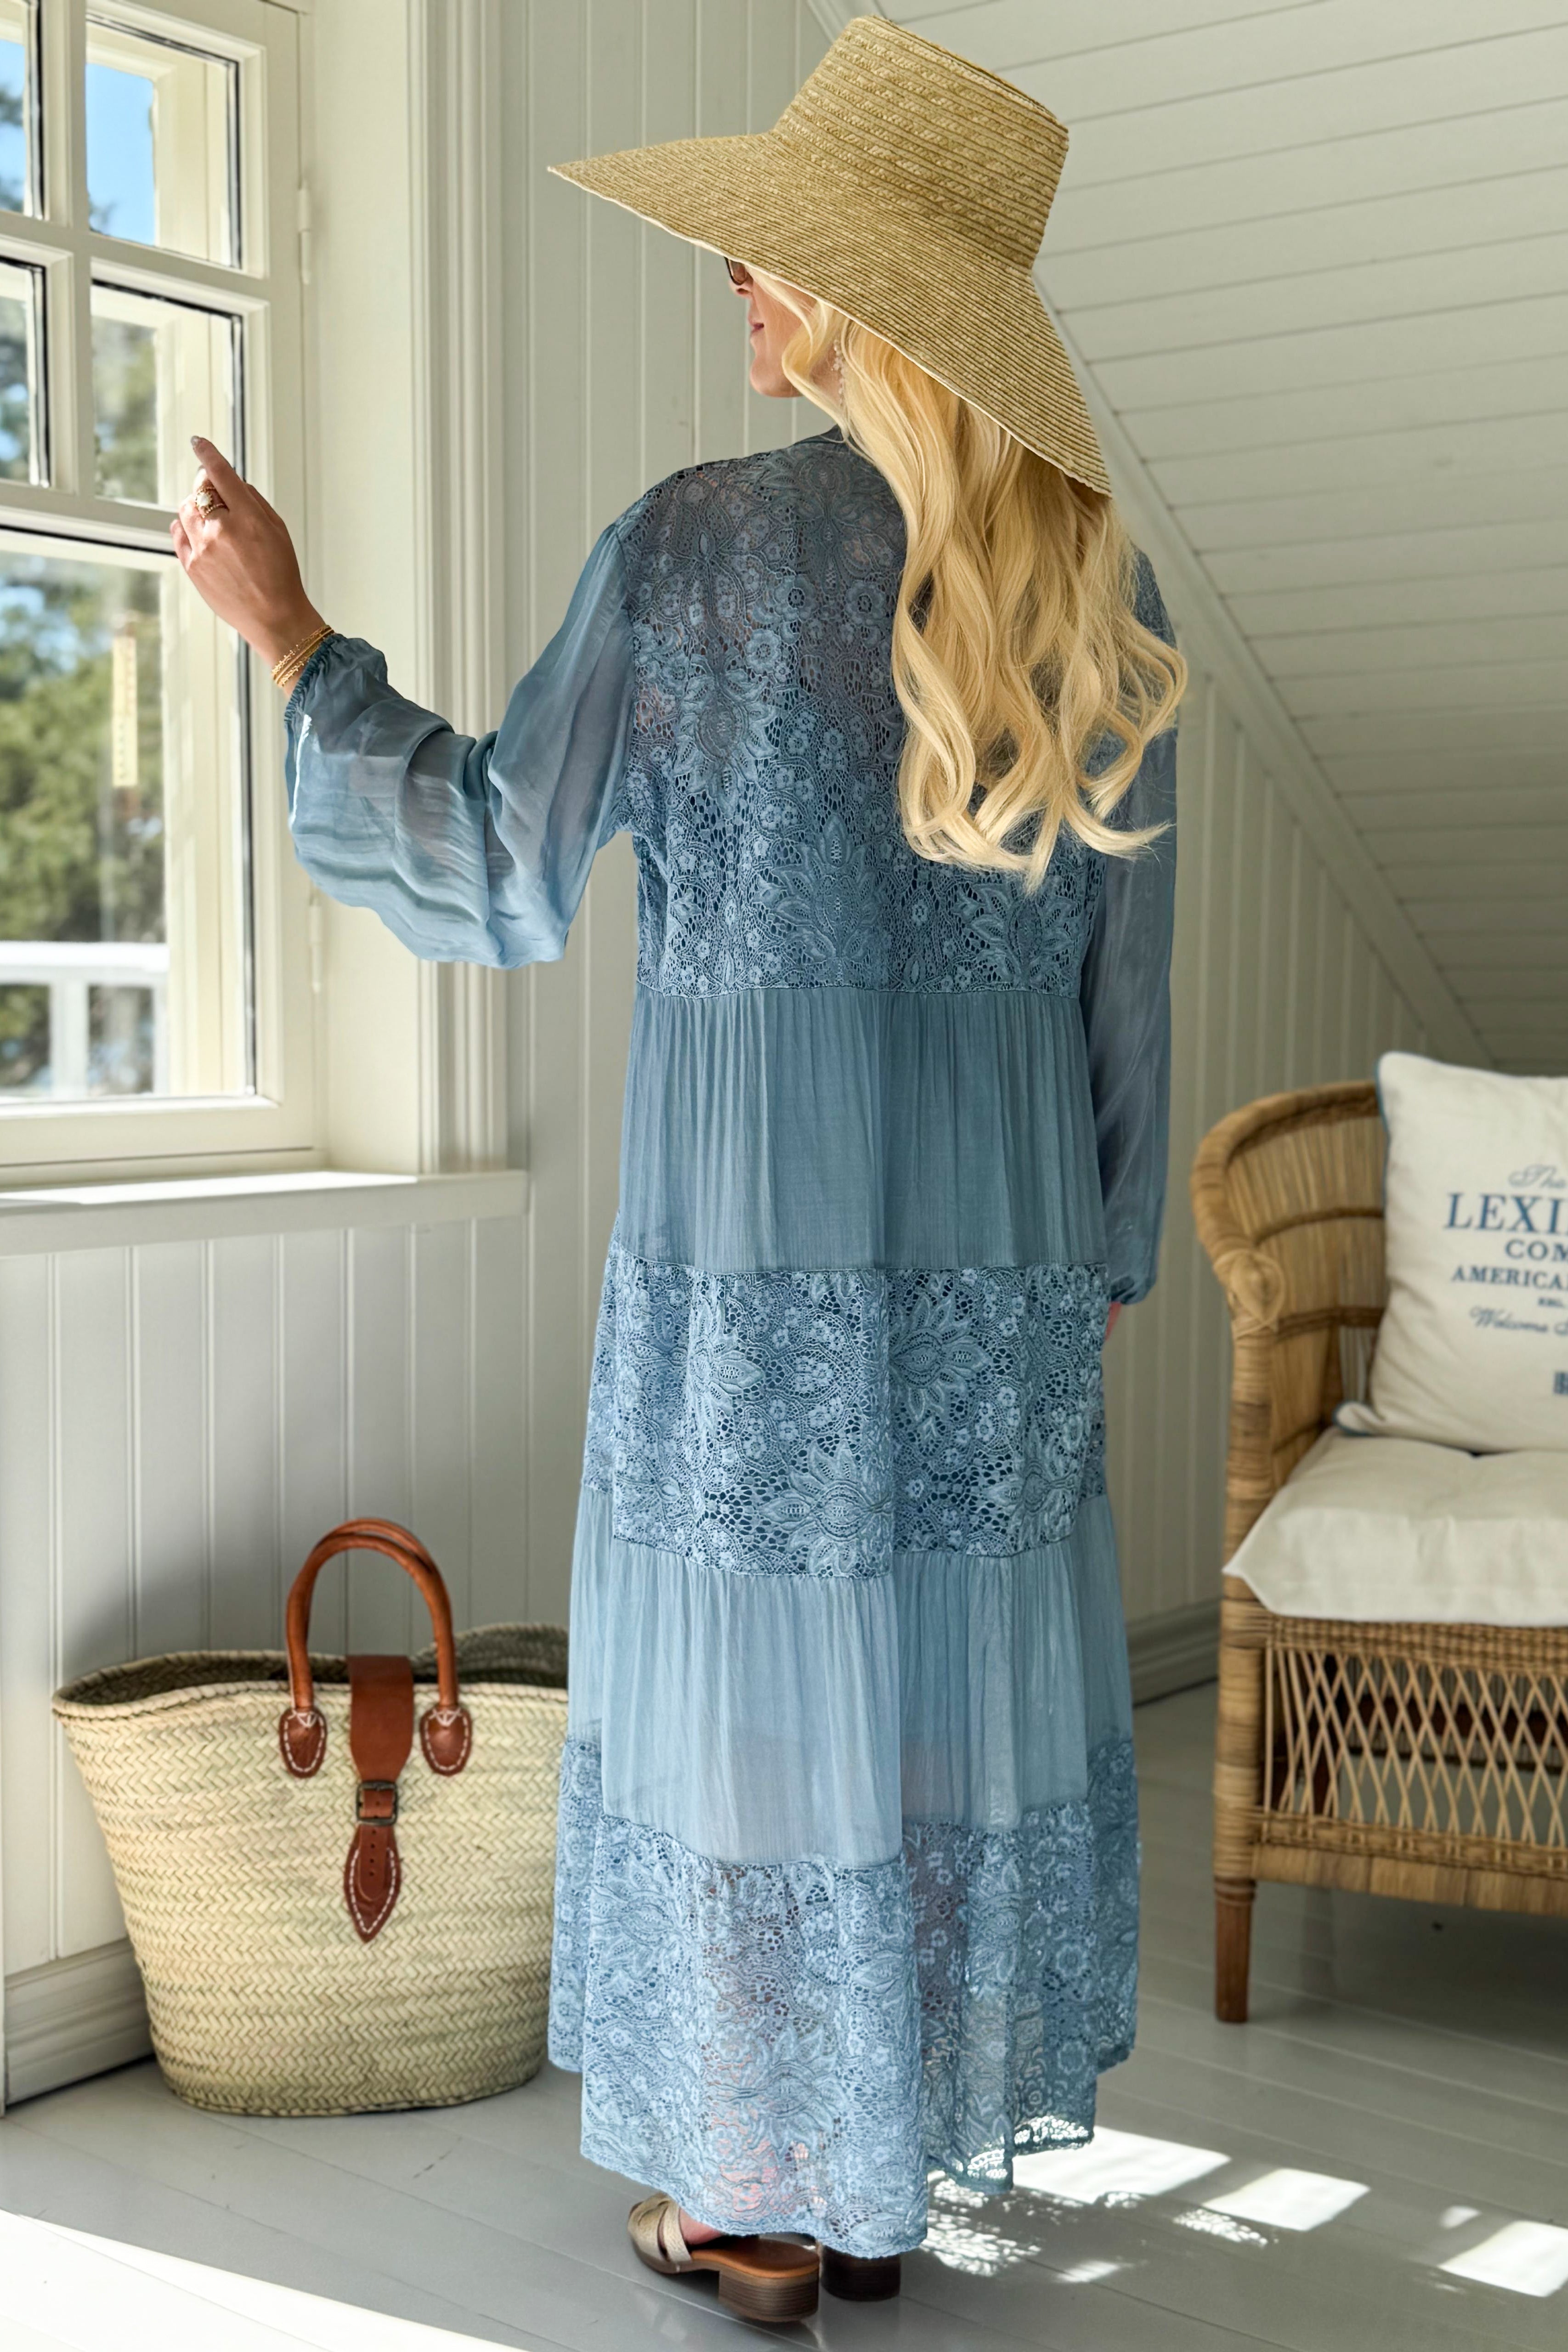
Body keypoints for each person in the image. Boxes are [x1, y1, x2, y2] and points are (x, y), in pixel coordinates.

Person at [172, 17, 1185, 2329]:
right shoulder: (1098, 599)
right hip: (1006, 1257)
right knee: (929, 1688)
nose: (732, 279)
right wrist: (1096, 1259)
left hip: (758, 1253)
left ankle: (749, 2198)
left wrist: (295, 641)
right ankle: (871, 2175)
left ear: (861, 298)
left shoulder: (702, 551)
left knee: (752, 1700)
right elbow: (1122, 1004)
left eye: (769, 251)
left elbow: (493, 866)